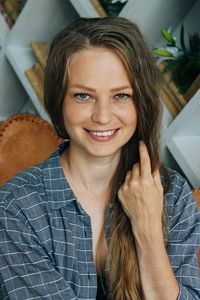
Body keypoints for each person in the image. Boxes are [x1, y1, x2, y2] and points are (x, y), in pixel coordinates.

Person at [0, 17, 199, 300]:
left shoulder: (174, 195)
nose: (102, 116)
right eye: (83, 96)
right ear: (59, 101)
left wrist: (148, 232)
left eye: (121, 95)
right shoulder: (17, 207)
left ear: (142, 103)